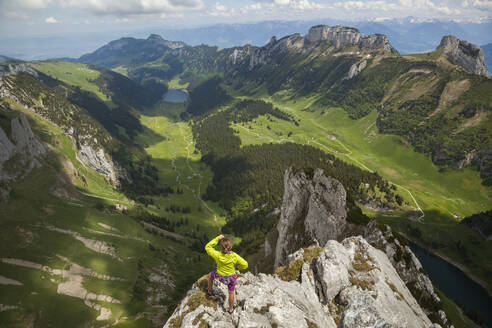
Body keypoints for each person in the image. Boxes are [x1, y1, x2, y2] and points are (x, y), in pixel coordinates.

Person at [205, 234, 248, 314]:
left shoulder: (217, 255)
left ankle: (209, 291)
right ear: (230, 247)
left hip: (220, 276)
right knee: (231, 292)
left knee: (211, 276)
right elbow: (245, 264)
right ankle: (231, 309)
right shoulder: (234, 256)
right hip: (231, 278)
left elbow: (207, 247)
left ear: (221, 246)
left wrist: (217, 238)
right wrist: (237, 268)